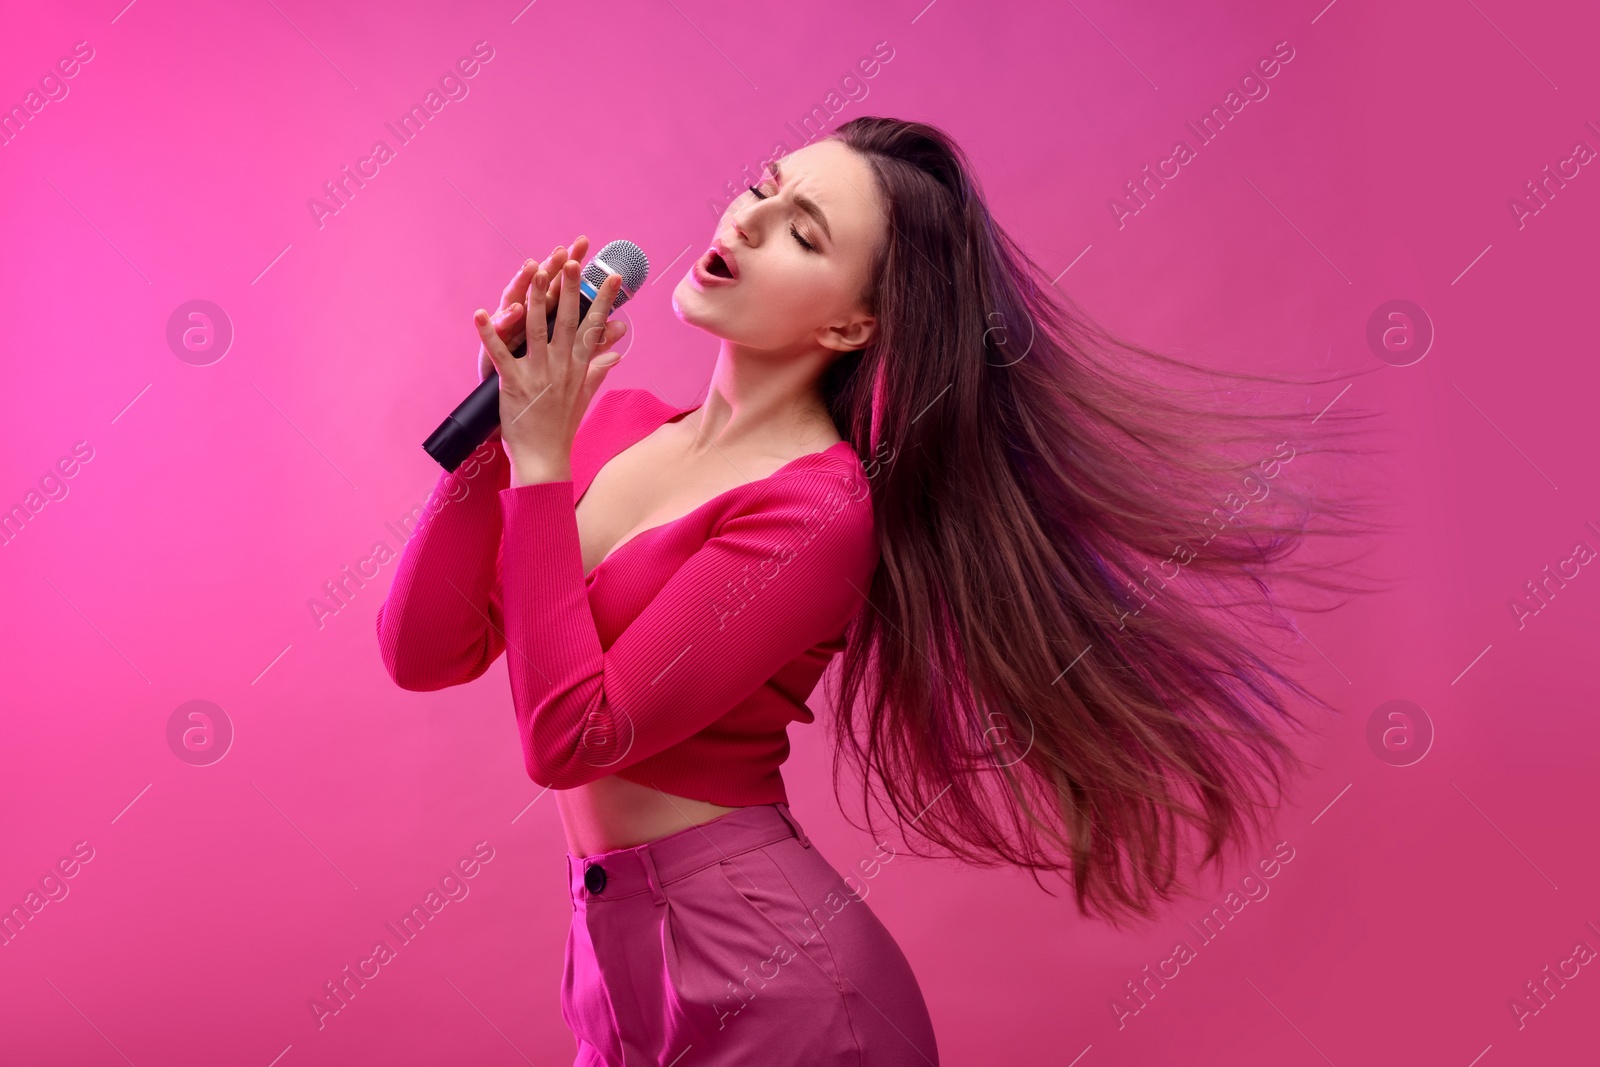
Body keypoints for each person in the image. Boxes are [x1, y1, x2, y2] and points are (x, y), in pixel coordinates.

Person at [376, 116, 1383, 1066]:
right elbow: (423, 652)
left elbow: (574, 738)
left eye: (801, 233)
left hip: (779, 988)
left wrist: (542, 461)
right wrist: (503, 441)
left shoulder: (816, 511)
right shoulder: (615, 423)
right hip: (608, 968)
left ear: (857, 322)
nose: (748, 221)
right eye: (761, 192)